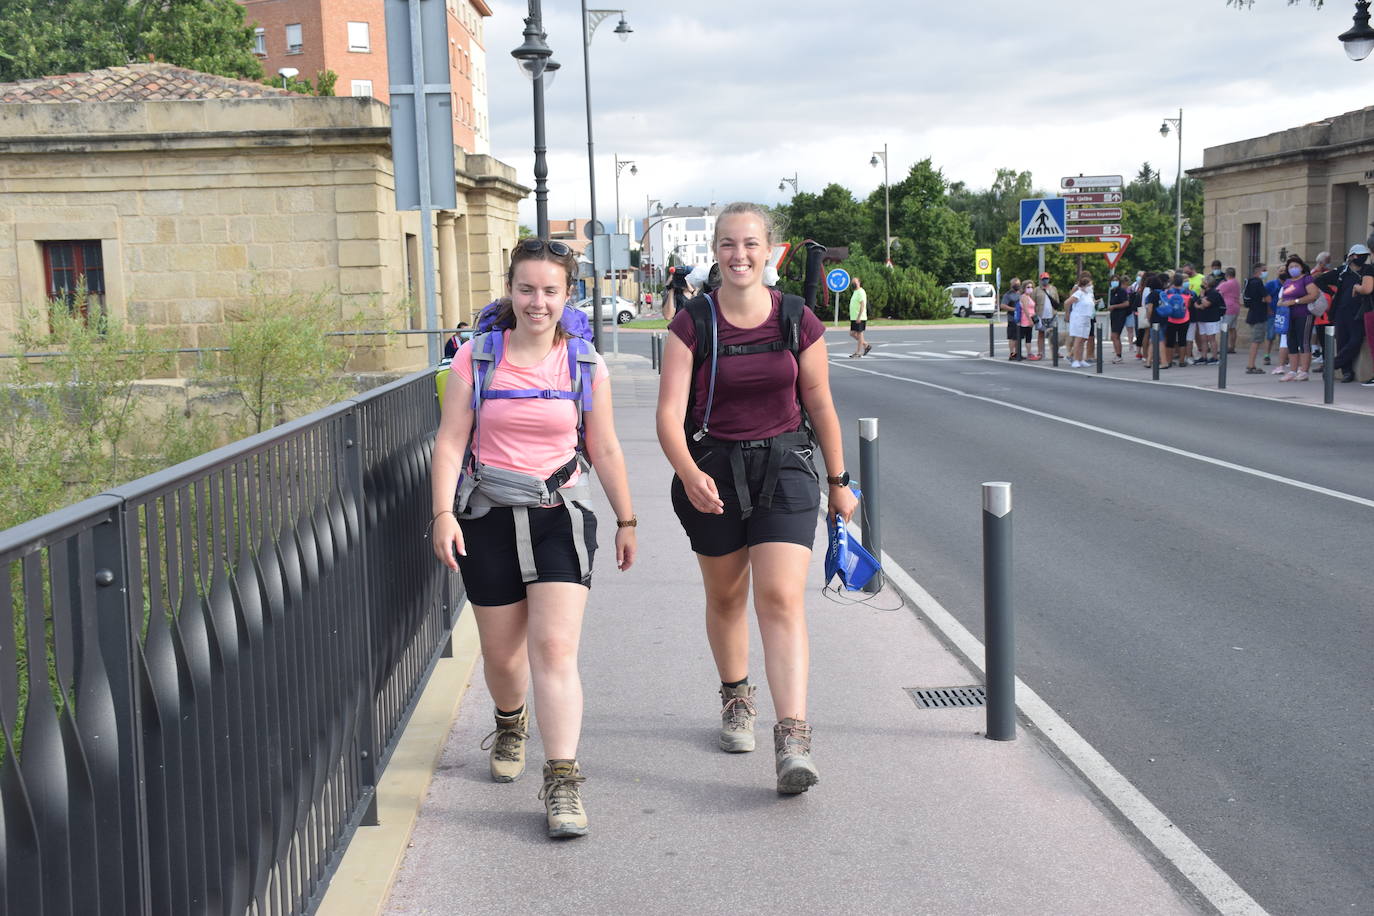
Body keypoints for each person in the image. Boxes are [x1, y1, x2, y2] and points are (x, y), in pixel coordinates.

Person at [430, 238, 637, 839]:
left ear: (567, 295)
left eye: (550, 291)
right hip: (487, 515)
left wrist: (626, 519)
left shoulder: (584, 363)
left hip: (560, 514)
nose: (537, 302)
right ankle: (510, 718)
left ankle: (563, 781)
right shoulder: (476, 358)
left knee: (553, 650)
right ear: (510, 290)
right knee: (502, 656)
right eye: (526, 289)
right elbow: (449, 442)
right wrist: (442, 513)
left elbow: (603, 447)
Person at [655, 201, 857, 796]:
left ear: (771, 249)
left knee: (780, 597)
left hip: (786, 468)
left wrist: (839, 483)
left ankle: (792, 735)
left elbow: (820, 405)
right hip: (711, 471)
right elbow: (669, 415)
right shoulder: (692, 324)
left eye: (750, 244)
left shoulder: (798, 320)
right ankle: (736, 697)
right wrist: (689, 472)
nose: (739, 255)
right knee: (725, 595)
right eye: (727, 244)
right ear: (714, 252)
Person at [1315, 243, 1374, 383]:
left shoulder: (1367, 270)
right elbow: (1319, 280)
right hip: (1341, 311)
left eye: (1364, 256)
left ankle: (1332, 365)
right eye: (1359, 256)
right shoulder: (1342, 271)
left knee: (1355, 340)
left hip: (1359, 312)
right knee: (1342, 341)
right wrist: (1332, 293)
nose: (1361, 258)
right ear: (1351, 256)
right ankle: (1346, 372)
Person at [1276, 254, 1320, 382]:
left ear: (1301, 267)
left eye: (1296, 266)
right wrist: (1281, 302)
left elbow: (1313, 295)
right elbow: (1283, 296)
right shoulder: (1288, 282)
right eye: (1290, 266)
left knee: (1304, 342)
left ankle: (1304, 371)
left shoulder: (1307, 279)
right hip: (1288, 316)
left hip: (1304, 314)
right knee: (1291, 342)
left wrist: (1295, 301)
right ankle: (1292, 371)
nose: (1293, 268)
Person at [1159, 272, 1195, 369]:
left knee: (1170, 341)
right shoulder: (1187, 292)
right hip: (1185, 318)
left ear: (1173, 282)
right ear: (1182, 282)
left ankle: (1169, 361)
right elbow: (1190, 305)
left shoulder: (1168, 292)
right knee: (1182, 340)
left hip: (1171, 319)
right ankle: (1182, 361)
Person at [1242, 262, 1271, 374]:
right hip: (1259, 315)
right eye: (1264, 270)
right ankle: (1251, 365)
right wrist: (1264, 299)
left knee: (1255, 340)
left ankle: (1251, 364)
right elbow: (1268, 298)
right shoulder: (1258, 282)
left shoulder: (1249, 282)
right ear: (1259, 271)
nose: (1265, 272)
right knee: (1256, 341)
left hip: (1252, 314)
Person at [1064, 273, 1095, 368]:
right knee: (1078, 340)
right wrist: (1067, 314)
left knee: (1083, 340)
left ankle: (1081, 359)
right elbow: (1066, 303)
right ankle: (1075, 360)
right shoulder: (1079, 293)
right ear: (1084, 285)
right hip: (1078, 318)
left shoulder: (1089, 294)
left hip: (1087, 318)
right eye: (1089, 285)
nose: (1091, 287)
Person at [1193, 274, 1225, 364]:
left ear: (1208, 283)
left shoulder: (1214, 293)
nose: (1202, 284)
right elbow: (1197, 304)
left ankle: (1215, 357)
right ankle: (1204, 357)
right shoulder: (1204, 292)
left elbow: (1206, 304)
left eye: (1204, 282)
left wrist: (1202, 297)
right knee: (1203, 339)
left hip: (1211, 319)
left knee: (1211, 339)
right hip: (1202, 318)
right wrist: (1200, 305)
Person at [1033, 272, 1060, 359]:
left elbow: (1057, 301)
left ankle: (1055, 351)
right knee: (1041, 334)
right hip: (1041, 315)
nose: (1045, 281)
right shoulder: (1036, 290)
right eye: (1043, 279)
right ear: (1041, 280)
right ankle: (1040, 352)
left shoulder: (1053, 289)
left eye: (1047, 279)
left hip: (1052, 314)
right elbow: (1033, 303)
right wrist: (1034, 315)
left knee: (1053, 334)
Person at [1106, 273, 1132, 363]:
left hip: (1120, 315)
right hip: (1114, 315)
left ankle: (1119, 355)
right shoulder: (1113, 291)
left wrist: (1114, 306)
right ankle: (1117, 353)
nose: (1114, 282)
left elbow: (1126, 303)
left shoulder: (1121, 291)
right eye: (1113, 280)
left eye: (1116, 280)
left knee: (1115, 335)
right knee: (1114, 336)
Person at [1218, 267, 1241, 353]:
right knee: (1232, 328)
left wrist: (1220, 283)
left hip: (1228, 308)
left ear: (1226, 275)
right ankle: (1232, 347)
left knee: (1225, 329)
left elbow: (1217, 291)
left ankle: (1224, 347)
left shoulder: (1226, 284)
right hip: (1236, 307)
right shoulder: (1236, 282)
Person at [1000, 278, 1024, 360]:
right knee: (1012, 337)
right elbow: (1002, 305)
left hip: (1021, 319)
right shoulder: (1008, 295)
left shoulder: (1021, 293)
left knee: (1019, 337)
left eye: (1018, 284)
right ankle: (1012, 353)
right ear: (1011, 285)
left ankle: (1018, 353)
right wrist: (1013, 309)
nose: (1017, 286)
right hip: (1012, 319)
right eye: (1015, 284)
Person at [848, 275, 871, 358]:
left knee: (860, 334)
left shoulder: (861, 291)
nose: (853, 283)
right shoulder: (855, 292)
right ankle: (866, 345)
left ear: (859, 283)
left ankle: (858, 352)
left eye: (855, 282)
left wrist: (859, 316)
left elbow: (862, 305)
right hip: (854, 317)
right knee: (852, 333)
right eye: (852, 282)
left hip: (860, 317)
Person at [1018, 281, 1036, 359]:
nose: (1030, 289)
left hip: (1030, 318)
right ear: (1024, 288)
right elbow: (1025, 309)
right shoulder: (1024, 297)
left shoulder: (1029, 297)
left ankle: (1029, 353)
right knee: (1022, 336)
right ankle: (1018, 353)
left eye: (1031, 287)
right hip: (1025, 319)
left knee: (1029, 337)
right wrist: (1030, 320)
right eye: (1028, 287)